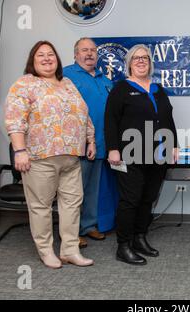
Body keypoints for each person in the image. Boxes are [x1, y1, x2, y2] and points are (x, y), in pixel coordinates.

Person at [5, 40, 95, 269]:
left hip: (72, 158)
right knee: (41, 206)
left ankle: (70, 250)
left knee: (72, 205)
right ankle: (46, 251)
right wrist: (20, 150)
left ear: (57, 59)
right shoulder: (25, 83)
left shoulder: (67, 83)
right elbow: (15, 119)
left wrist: (90, 139)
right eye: (40, 55)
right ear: (32, 61)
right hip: (40, 158)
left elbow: (83, 113)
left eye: (51, 54)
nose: (47, 58)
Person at [105, 44, 178, 266]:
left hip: (157, 154)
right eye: (136, 58)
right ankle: (123, 245)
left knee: (148, 198)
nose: (140, 61)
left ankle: (139, 238)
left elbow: (168, 118)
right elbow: (110, 120)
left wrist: (174, 145)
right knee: (131, 199)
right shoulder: (121, 89)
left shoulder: (158, 89)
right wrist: (113, 148)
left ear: (150, 62)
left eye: (144, 58)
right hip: (130, 153)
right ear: (129, 63)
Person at [64, 37, 114, 249]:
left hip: (100, 144)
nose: (90, 53)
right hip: (77, 145)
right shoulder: (66, 75)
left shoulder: (105, 80)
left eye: (93, 50)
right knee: (74, 192)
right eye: (84, 50)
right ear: (76, 54)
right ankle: (71, 233)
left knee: (93, 189)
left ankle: (88, 225)